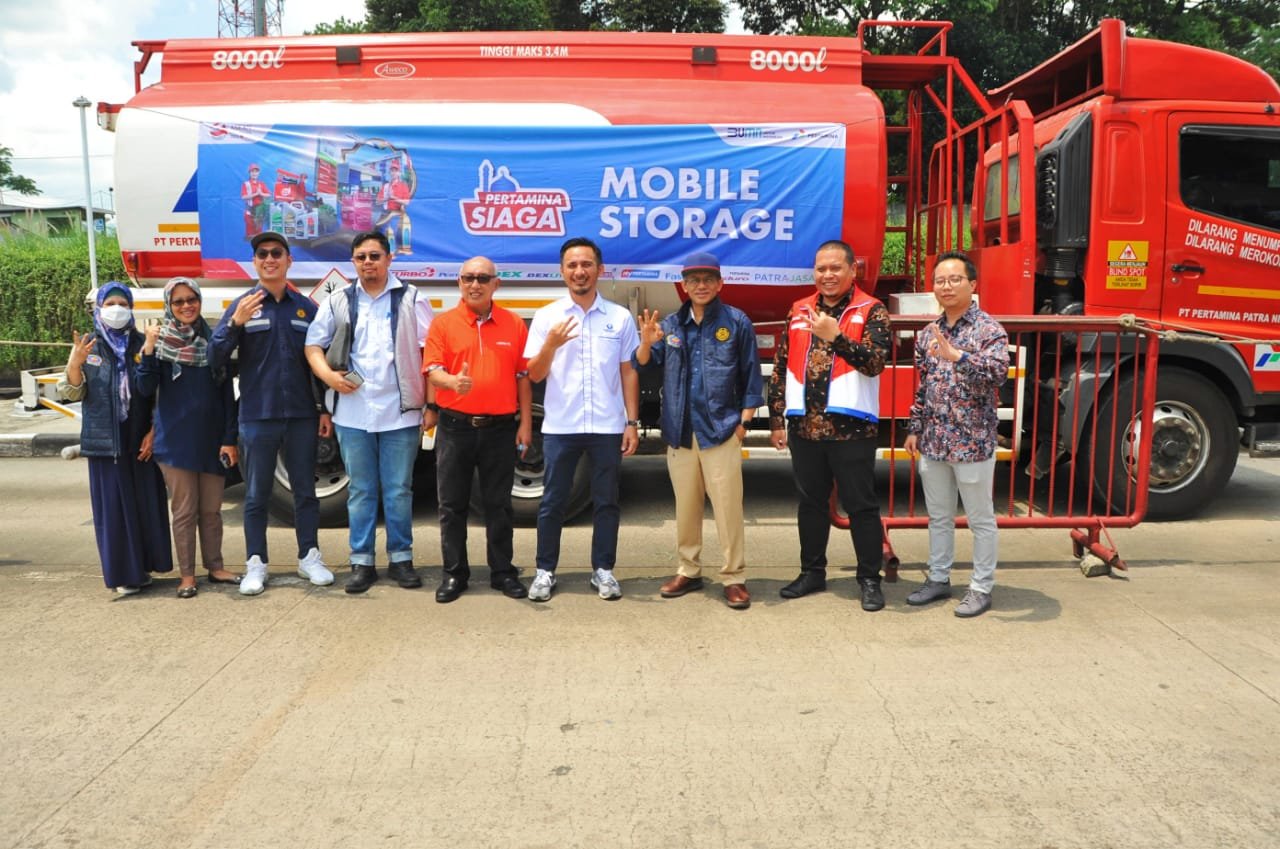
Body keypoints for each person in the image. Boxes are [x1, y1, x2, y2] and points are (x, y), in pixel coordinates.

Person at [304, 230, 434, 594]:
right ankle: (361, 562)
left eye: (375, 256)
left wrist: (431, 405)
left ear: (389, 259)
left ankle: (401, 559)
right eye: (361, 257)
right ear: (353, 261)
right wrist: (329, 376)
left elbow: (431, 353)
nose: (368, 263)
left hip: (401, 412)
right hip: (352, 412)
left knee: (398, 490)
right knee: (361, 490)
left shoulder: (412, 298)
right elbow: (313, 345)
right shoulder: (338, 300)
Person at [634, 252, 763, 610]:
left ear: (720, 283)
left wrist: (743, 424)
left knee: (727, 509)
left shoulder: (736, 322)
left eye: (708, 279)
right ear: (684, 285)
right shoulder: (672, 325)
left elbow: (751, 377)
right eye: (694, 280)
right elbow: (643, 364)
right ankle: (688, 570)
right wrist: (645, 342)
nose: (701, 286)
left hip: (721, 430)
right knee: (686, 508)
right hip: (680, 431)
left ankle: (734, 577)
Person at [768, 239, 891, 612]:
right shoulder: (799, 309)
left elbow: (875, 363)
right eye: (821, 269)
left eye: (835, 268)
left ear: (853, 270)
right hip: (805, 428)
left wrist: (836, 337)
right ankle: (812, 572)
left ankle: (869, 579)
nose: (827, 275)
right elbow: (781, 364)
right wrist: (777, 418)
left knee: (860, 506)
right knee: (811, 504)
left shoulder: (871, 309)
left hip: (852, 429)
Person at [210, 230, 333, 596]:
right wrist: (235, 324)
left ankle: (309, 557)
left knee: (305, 491)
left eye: (276, 253)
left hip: (301, 415)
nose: (269, 259)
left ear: (288, 260)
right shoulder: (243, 306)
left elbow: (319, 364)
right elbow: (214, 358)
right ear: (255, 262)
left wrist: (324, 410)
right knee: (256, 495)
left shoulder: (305, 308)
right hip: (256, 416)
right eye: (262, 253)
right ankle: (256, 563)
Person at [523, 236, 640, 602]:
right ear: (562, 272)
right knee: (552, 502)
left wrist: (632, 422)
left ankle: (603, 570)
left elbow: (628, 372)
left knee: (606, 502)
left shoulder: (619, 318)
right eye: (572, 265)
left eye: (586, 264)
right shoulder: (547, 317)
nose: (579, 271)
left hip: (607, 426)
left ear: (599, 270)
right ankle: (545, 571)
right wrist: (550, 345)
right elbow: (534, 374)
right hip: (562, 426)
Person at [903, 251, 1009, 618]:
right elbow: (924, 384)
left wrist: (959, 357)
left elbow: (997, 374)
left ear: (972, 284)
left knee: (980, 519)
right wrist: (914, 427)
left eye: (955, 279)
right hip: (934, 440)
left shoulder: (989, 330)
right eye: (940, 281)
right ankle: (938, 578)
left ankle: (981, 587)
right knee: (939, 516)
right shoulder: (927, 333)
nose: (946, 286)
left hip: (972, 441)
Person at [423, 256, 533, 603]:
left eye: (483, 278)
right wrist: (452, 382)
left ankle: (503, 572)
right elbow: (432, 370)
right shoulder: (443, 324)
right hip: (455, 428)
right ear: (459, 282)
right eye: (468, 277)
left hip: (500, 429)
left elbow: (523, 376)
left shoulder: (514, 324)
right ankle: (454, 574)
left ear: (496, 284)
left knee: (499, 505)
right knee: (451, 505)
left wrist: (526, 423)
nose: (475, 284)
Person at [58, 282, 174, 595]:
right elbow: (72, 392)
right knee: (114, 510)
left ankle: (146, 567)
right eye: (110, 304)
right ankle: (125, 575)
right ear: (98, 309)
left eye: (123, 303)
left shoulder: (141, 342)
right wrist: (75, 363)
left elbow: (158, 393)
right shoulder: (88, 345)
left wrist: (154, 431)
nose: (117, 309)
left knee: (145, 503)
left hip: (140, 436)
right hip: (105, 441)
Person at [137, 278, 241, 597]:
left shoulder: (213, 343)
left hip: (212, 440)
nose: (186, 306)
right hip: (175, 442)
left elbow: (227, 396)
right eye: (178, 301)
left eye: (191, 299)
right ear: (169, 306)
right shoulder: (161, 345)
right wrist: (149, 350)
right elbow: (144, 388)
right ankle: (186, 576)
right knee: (184, 512)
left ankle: (215, 567)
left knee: (211, 511)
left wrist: (229, 438)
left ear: (200, 301)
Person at [376, 159, 412, 255]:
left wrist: (394, 198)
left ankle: (393, 252)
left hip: (396, 214)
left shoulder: (403, 186)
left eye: (395, 170)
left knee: (394, 235)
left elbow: (407, 202)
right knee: (379, 233)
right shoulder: (385, 186)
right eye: (392, 170)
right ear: (389, 173)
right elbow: (378, 201)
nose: (393, 173)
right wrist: (387, 198)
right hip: (385, 213)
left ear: (399, 173)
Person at [241, 163, 269, 238]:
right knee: (250, 236)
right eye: (252, 171)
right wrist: (256, 194)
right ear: (249, 173)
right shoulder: (246, 184)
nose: (254, 173)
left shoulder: (262, 184)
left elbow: (268, 195)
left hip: (259, 213)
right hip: (249, 213)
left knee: (259, 235)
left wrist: (261, 193)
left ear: (258, 173)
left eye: (256, 171)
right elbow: (243, 197)